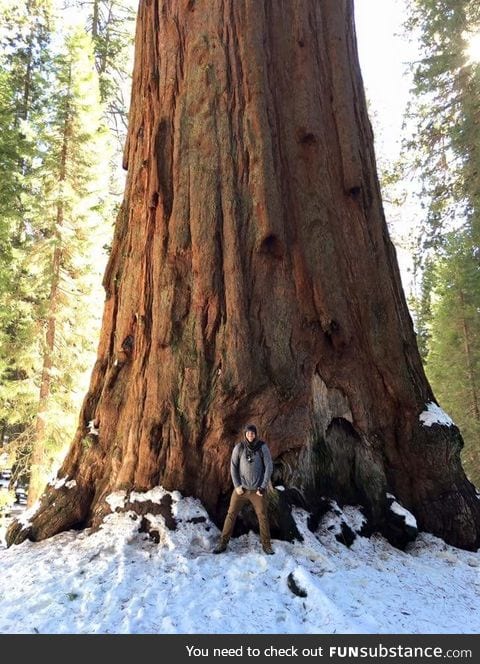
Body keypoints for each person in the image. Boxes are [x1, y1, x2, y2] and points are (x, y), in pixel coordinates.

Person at [213, 423, 274, 555]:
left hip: (257, 490)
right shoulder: (239, 447)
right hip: (241, 490)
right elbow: (233, 466)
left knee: (263, 516)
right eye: (248, 433)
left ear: (255, 434)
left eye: (252, 433)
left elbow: (269, 466)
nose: (250, 435)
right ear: (245, 434)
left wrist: (263, 487)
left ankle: (266, 545)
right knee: (231, 514)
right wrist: (237, 486)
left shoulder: (262, 447)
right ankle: (222, 543)